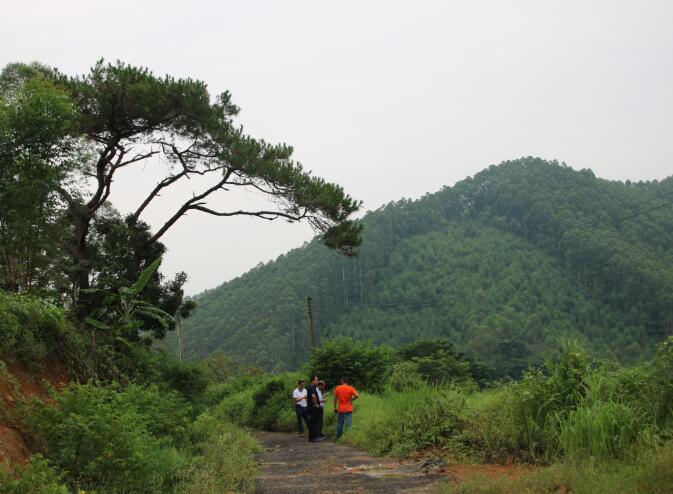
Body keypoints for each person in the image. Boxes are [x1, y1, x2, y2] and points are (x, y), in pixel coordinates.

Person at [306, 375, 324, 442]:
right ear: (313, 380)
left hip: (311, 407)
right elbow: (313, 396)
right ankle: (315, 437)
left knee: (312, 422)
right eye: (317, 380)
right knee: (315, 422)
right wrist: (316, 404)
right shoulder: (312, 386)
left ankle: (312, 438)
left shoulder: (310, 386)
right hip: (313, 408)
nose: (318, 381)